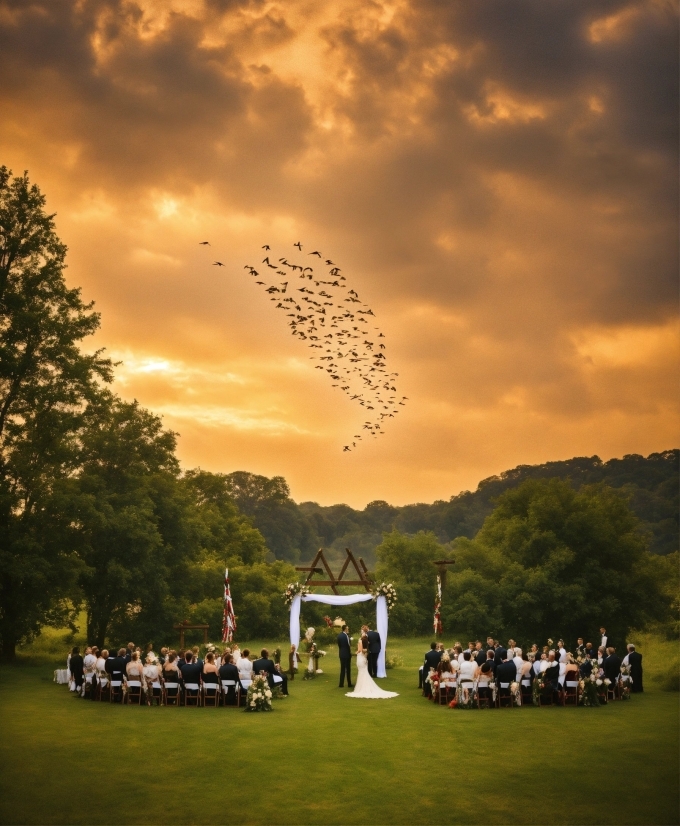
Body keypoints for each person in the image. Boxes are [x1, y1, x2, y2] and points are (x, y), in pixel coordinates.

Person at [346, 633, 398, 699]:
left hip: (360, 658)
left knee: (362, 672)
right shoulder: (366, 642)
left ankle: (362, 687)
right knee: (364, 672)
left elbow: (360, 650)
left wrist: (356, 653)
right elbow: (365, 650)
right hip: (363, 658)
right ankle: (364, 686)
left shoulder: (360, 641)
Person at [337, 625, 353, 689]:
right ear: (345, 629)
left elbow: (339, 645)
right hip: (347, 654)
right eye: (347, 628)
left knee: (342, 669)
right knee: (348, 669)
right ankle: (349, 683)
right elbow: (348, 645)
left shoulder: (339, 636)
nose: (348, 629)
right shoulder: (347, 636)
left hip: (341, 654)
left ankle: (341, 683)